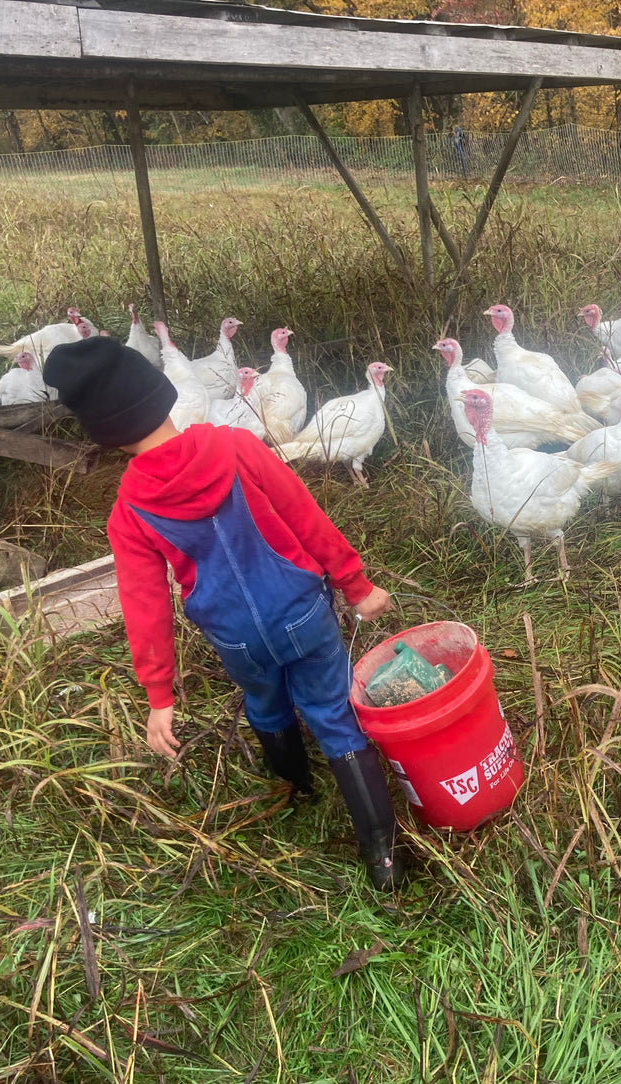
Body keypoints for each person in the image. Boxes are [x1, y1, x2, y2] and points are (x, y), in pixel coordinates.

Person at [44, 336, 406, 890]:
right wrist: (355, 586)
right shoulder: (236, 446)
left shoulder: (130, 508)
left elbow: (145, 605)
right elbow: (306, 518)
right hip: (302, 614)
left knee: (265, 702)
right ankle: (382, 855)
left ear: (104, 433)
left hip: (236, 639)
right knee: (332, 711)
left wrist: (159, 696)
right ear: (162, 395)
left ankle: (296, 790)